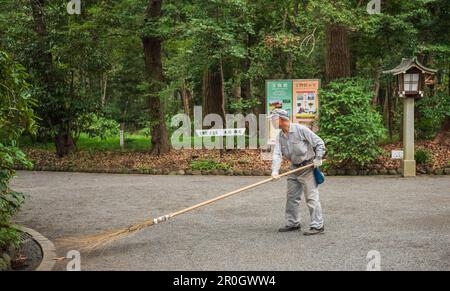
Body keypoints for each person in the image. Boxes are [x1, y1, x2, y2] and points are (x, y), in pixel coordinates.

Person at [270, 109, 326, 235]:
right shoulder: (280, 135)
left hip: (307, 167)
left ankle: (318, 225)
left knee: (311, 197)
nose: (272, 122)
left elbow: (319, 143)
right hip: (294, 168)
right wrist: (275, 171)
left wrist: (318, 158)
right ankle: (293, 223)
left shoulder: (300, 130)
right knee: (292, 197)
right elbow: (277, 154)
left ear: (282, 119)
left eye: (274, 119)